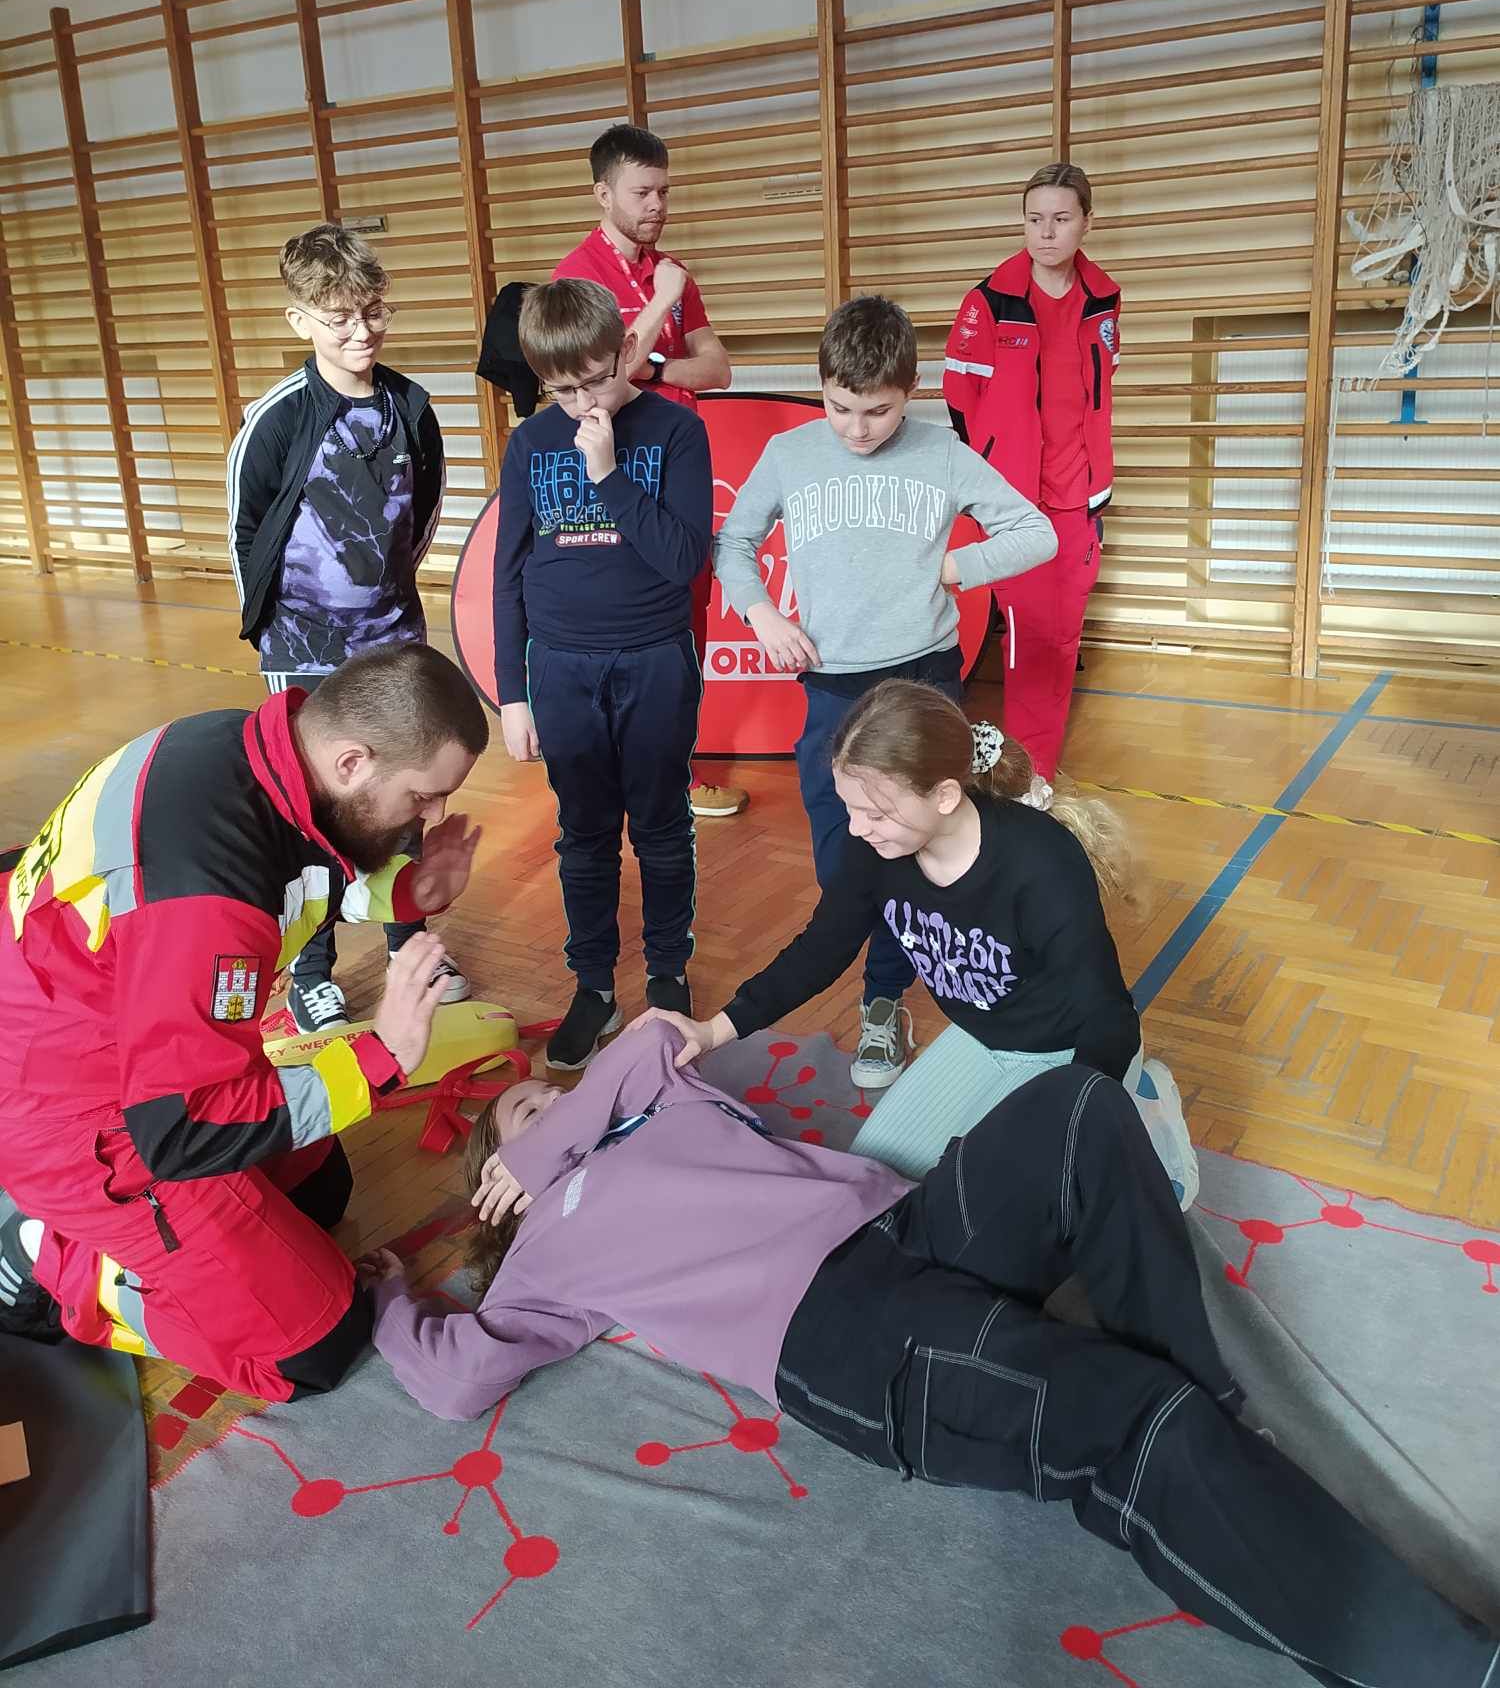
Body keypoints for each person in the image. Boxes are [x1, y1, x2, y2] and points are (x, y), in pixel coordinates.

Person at [367, 1020, 1496, 1688]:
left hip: (904, 1221)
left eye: (551, 1094)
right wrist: (380, 1301)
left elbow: (650, 1037)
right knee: (1134, 1419)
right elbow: (456, 1378)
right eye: (523, 1117)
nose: (552, 1106)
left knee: (1077, 1110)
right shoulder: (541, 1259)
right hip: (844, 1335)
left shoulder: (641, 1100)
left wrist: (556, 1125)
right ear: (494, 1187)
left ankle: (1224, 1420)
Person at [0, 645, 488, 1401]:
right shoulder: (207, 893)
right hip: (89, 1119)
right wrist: (383, 1054)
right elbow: (182, 1131)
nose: (432, 816)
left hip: (105, 1041)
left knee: (321, 1189)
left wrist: (409, 893)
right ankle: (51, 1260)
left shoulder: (256, 750)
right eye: (424, 796)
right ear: (352, 762)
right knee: (320, 1345)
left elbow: (302, 873)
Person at [634, 678, 1197, 1195]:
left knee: (1008, 1207)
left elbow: (1107, 1015)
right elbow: (821, 949)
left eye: (876, 814)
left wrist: (1075, 1114)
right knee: (875, 1183)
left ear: (945, 796)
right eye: (850, 808)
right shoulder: (875, 847)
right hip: (980, 1037)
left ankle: (1145, 1118)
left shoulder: (1041, 862)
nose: (857, 828)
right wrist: (712, 1030)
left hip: (1067, 1051)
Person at [713, 296, 1057, 1091]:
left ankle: (882, 999)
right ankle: (864, 968)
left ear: (911, 392)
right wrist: (761, 612)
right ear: (822, 386)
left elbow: (1036, 531)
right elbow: (734, 540)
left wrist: (958, 568)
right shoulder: (792, 452)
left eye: (878, 411)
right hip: (833, 691)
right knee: (844, 857)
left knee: (912, 849)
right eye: (841, 408)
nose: (859, 429)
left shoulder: (942, 452)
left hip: (923, 682)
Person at [227, 223, 468, 1034]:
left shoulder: (411, 407)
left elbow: (423, 517)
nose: (361, 332)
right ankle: (311, 968)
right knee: (312, 804)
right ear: (300, 320)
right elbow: (246, 530)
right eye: (339, 319)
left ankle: (409, 948)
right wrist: (275, 630)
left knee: (405, 797)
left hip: (391, 638)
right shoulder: (277, 418)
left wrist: (385, 599)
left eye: (373, 312)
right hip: (303, 648)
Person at [492, 280, 712, 1073]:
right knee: (583, 836)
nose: (584, 402)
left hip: (654, 658)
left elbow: (684, 559)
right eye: (564, 390)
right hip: (561, 667)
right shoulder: (530, 443)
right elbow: (508, 572)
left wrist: (610, 473)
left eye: (596, 379)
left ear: (624, 352)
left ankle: (667, 976)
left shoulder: (676, 430)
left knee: (661, 827)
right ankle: (593, 986)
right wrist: (512, 693)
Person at [554, 123, 746, 822]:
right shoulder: (577, 276)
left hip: (678, 462)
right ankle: (618, 778)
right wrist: (662, 303)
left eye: (664, 190)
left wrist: (657, 365)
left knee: (684, 626)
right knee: (626, 625)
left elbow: (717, 369)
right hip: (613, 468)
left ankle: (678, 779)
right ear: (603, 194)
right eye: (643, 192)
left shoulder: (671, 269)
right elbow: (603, 376)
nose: (658, 205)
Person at [943, 162, 1121, 780]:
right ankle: (1021, 773)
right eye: (1034, 219)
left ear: (1086, 223)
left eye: (1061, 219)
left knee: (1061, 637)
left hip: (1079, 498)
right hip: (1014, 502)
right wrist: (992, 475)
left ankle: (1037, 772)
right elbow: (960, 397)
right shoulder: (989, 301)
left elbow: (1099, 392)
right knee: (1025, 635)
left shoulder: (1104, 299)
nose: (1046, 232)